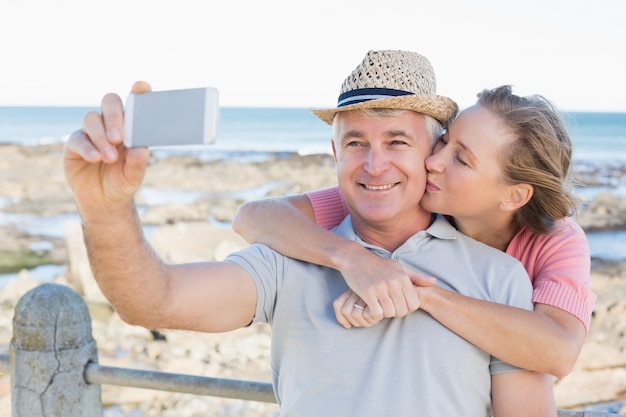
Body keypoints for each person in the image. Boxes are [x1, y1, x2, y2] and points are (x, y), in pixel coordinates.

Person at [64, 50, 556, 416]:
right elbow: (154, 301)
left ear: (432, 154)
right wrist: (106, 210)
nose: (374, 162)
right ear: (334, 152)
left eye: (397, 141)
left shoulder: (500, 277)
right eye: (356, 142)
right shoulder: (287, 257)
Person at [233, 84, 596, 377]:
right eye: (444, 140)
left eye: (461, 158)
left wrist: (419, 293)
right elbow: (254, 216)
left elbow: (559, 350)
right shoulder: (407, 196)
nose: (433, 161)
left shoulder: (556, 240)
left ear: (514, 195)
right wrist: (354, 260)